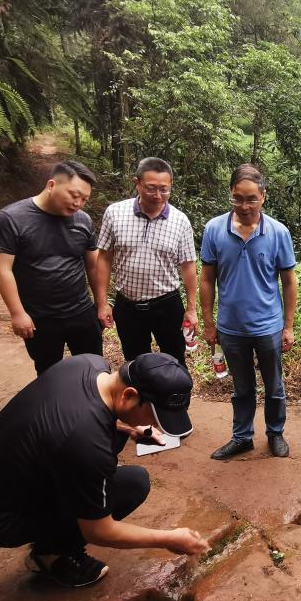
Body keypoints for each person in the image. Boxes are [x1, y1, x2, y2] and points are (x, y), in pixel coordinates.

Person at [0, 352, 210, 588]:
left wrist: (129, 428)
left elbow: (65, 413)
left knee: (128, 480)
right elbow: (100, 531)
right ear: (129, 396)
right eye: (154, 416)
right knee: (132, 486)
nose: (157, 425)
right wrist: (169, 539)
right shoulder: (85, 444)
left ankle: (53, 536)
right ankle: (50, 556)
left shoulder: (88, 364)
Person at [91, 157, 197, 436]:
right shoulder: (115, 213)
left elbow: (188, 266)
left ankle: (176, 416)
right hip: (128, 305)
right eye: (151, 188)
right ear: (137, 183)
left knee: (175, 363)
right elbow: (103, 259)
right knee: (135, 366)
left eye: (165, 189)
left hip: (167, 304)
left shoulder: (180, 221)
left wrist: (192, 309)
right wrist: (103, 302)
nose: (158, 195)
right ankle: (142, 421)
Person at [199, 164, 298, 460]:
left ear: (263, 196)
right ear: (230, 196)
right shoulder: (215, 229)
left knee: (274, 386)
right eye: (237, 198)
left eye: (251, 198)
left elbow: (289, 282)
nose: (244, 206)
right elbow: (206, 278)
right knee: (241, 388)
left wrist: (288, 325)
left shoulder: (278, 232)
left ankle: (275, 433)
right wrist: (208, 322)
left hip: (268, 326)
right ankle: (242, 437)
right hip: (230, 328)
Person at [0, 161, 101, 375]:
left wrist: (101, 303)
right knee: (48, 374)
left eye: (84, 199)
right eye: (74, 195)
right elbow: (2, 270)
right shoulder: (11, 218)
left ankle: (93, 408)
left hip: (81, 311)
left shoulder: (83, 220)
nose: (78, 203)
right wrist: (17, 313)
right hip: (40, 317)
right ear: (51, 185)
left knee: (93, 370)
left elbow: (93, 266)